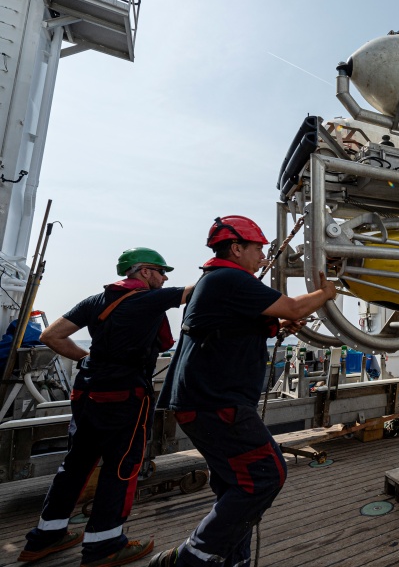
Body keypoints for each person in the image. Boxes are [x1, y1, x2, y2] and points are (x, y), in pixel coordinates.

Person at [149, 215, 337, 567]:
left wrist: (277, 324)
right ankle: (191, 557)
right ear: (235, 248)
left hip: (201, 400)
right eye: (257, 249)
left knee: (237, 484)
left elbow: (229, 328)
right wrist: (326, 293)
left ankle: (233, 559)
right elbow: (296, 305)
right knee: (267, 475)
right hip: (216, 402)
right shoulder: (230, 278)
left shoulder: (216, 282)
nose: (262, 256)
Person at [18, 248, 191, 567]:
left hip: (87, 390)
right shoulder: (148, 300)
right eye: (161, 271)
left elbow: (50, 335)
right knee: (122, 466)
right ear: (145, 272)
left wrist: (87, 360)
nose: (165, 278)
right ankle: (105, 546)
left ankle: (45, 537)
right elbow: (200, 292)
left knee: (76, 464)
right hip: (124, 393)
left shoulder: (96, 301)